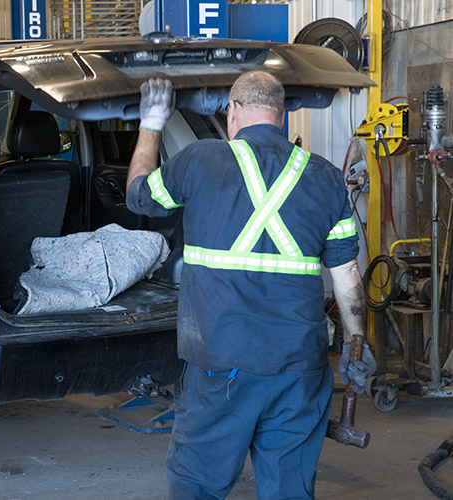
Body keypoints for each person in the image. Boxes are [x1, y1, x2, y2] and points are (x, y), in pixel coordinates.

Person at [125, 72, 376, 499]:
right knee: (290, 489)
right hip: (299, 366)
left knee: (197, 485)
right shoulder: (326, 177)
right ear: (281, 116)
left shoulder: (199, 161)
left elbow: (137, 196)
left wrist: (152, 121)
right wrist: (356, 344)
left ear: (232, 111)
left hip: (222, 361)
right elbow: (347, 276)